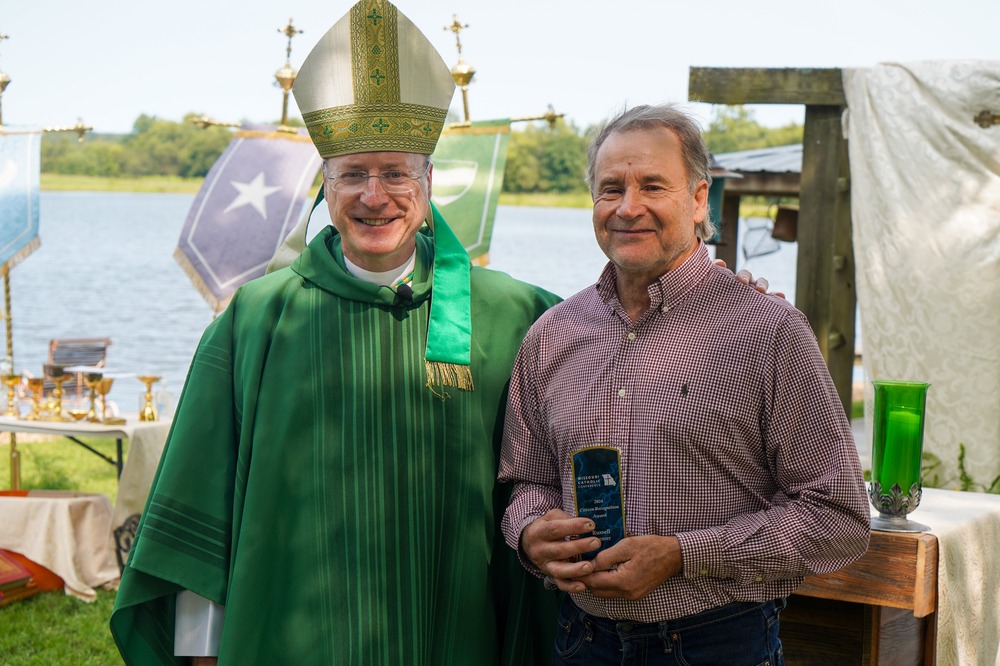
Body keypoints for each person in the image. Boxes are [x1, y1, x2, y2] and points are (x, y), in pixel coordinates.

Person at [109, 2, 562, 664]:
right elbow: (205, 492)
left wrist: (710, 299)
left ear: (429, 181)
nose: (373, 196)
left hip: (454, 632)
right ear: (324, 185)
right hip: (287, 635)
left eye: (394, 174)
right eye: (353, 174)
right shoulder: (255, 321)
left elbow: (619, 351)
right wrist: (202, 647)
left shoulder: (515, 315)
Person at [498, 104, 871, 665]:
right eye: (610, 188)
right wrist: (530, 532)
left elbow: (836, 520)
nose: (628, 207)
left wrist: (682, 555)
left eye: (653, 185)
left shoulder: (768, 331)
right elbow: (525, 481)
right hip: (582, 641)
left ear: (699, 199)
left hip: (720, 641)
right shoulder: (551, 335)